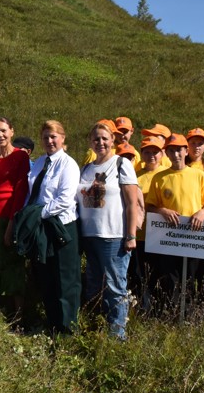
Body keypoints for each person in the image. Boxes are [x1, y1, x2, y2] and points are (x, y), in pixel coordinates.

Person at [15, 120, 81, 335]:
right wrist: (27, 213)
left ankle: (68, 328)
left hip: (61, 226)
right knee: (46, 276)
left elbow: (64, 199)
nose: (50, 141)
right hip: (41, 227)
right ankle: (52, 323)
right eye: (45, 137)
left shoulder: (68, 164)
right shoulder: (40, 162)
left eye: (54, 136)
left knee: (66, 278)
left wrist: (35, 215)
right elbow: (31, 192)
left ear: (62, 138)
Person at [77, 122, 139, 339]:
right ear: (90, 142)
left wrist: (131, 235)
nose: (100, 142)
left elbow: (132, 203)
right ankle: (95, 329)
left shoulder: (121, 164)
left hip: (113, 236)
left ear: (113, 140)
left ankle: (117, 336)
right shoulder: (86, 169)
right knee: (93, 285)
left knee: (114, 287)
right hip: (89, 236)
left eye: (104, 138)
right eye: (96, 139)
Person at [145, 134, 204, 318]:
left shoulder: (198, 175)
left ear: (186, 151)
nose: (176, 153)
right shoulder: (160, 178)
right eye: (172, 150)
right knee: (170, 277)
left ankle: (191, 317)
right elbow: (150, 205)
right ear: (166, 153)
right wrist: (163, 211)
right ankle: (172, 316)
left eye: (179, 149)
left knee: (191, 277)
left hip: (193, 237)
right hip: (168, 238)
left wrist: (201, 212)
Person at [0, 117, 29, 320]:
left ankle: (19, 315)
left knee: (13, 265)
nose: (0, 135)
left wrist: (12, 222)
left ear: (11, 131)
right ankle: (1, 311)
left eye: (3, 131)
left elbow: (20, 191)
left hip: (9, 216)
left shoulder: (20, 157)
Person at [128, 136, 167, 314]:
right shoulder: (135, 176)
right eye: (147, 152)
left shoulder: (167, 174)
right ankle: (143, 312)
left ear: (162, 153)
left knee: (160, 275)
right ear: (141, 154)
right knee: (139, 275)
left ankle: (161, 311)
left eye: (155, 152)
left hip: (162, 237)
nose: (151, 155)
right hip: (140, 236)